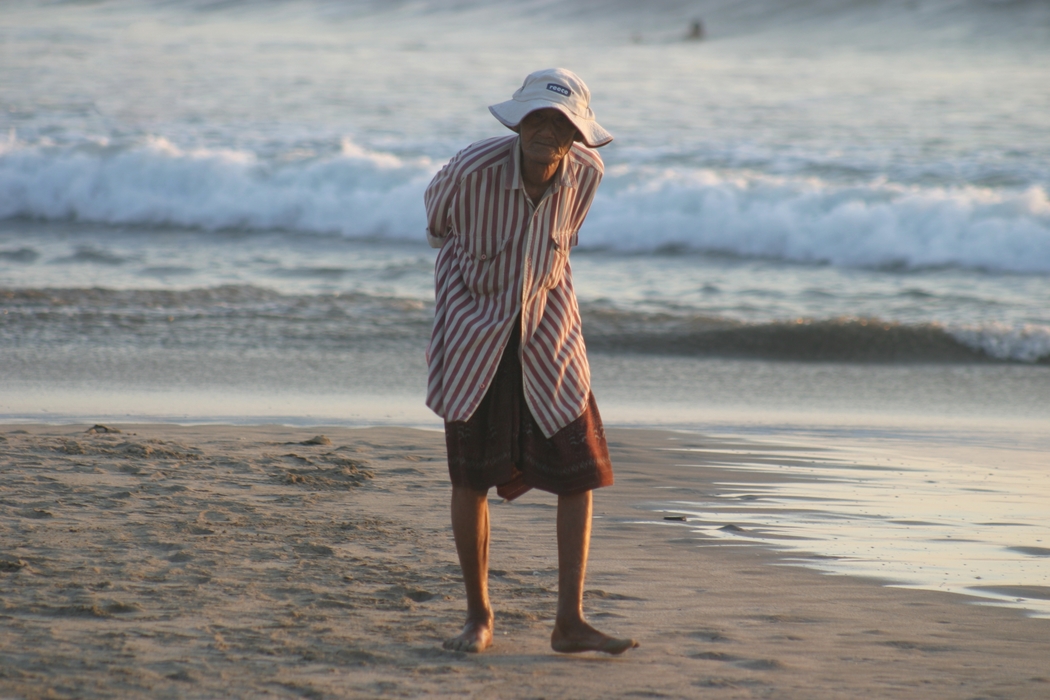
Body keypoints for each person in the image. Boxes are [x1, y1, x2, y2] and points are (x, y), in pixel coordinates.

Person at [424, 68, 638, 655]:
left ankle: (569, 622)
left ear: (578, 135)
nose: (548, 128)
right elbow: (436, 225)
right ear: (518, 120)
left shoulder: (586, 175)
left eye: (562, 121)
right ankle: (478, 617)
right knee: (470, 478)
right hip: (475, 329)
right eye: (538, 116)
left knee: (581, 472)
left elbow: (565, 240)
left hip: (550, 331)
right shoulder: (470, 171)